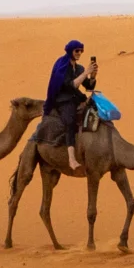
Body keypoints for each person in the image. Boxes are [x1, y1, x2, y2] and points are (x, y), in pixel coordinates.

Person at [45, 39, 95, 172]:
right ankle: (71, 159)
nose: (79, 53)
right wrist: (85, 74)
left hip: (76, 97)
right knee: (70, 121)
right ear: (70, 51)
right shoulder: (62, 66)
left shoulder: (79, 68)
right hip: (64, 100)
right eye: (77, 51)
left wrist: (93, 75)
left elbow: (88, 86)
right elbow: (70, 85)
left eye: (81, 51)